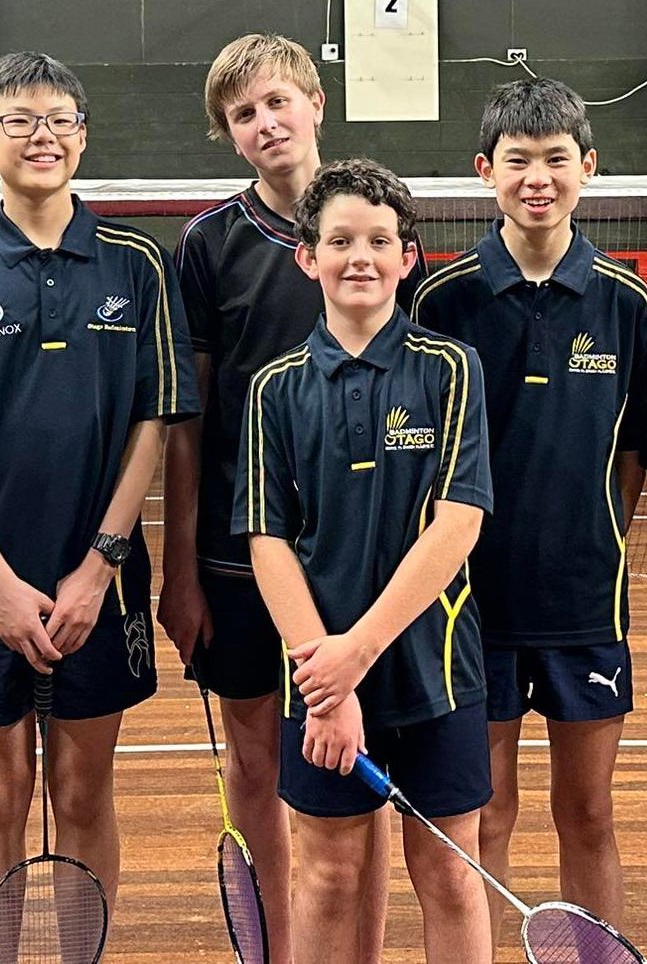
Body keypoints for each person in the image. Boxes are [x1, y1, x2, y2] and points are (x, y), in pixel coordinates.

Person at [0, 51, 198, 961]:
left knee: (83, 793)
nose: (45, 136)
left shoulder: (138, 265)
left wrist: (99, 564)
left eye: (62, 119)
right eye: (21, 120)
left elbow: (156, 418)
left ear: (83, 134)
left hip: (99, 585)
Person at [163, 35, 427, 958]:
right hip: (244, 558)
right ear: (230, 137)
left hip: (363, 559)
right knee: (257, 759)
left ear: (316, 102)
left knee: (361, 766)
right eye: (244, 115)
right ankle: (279, 942)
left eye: (278, 102)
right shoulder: (208, 245)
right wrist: (181, 569)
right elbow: (189, 418)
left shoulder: (382, 219)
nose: (266, 123)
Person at [410, 76, 647, 942]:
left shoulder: (625, 304)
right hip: (472, 607)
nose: (538, 177)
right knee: (489, 811)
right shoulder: (442, 302)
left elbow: (635, 454)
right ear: (486, 170)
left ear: (588, 166)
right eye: (518, 160)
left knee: (588, 813)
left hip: (586, 604)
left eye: (557, 159)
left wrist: (593, 532)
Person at [238, 158, 494, 964]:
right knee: (328, 878)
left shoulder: (451, 369)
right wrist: (327, 679)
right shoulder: (274, 389)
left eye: (380, 240)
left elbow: (457, 525)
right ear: (306, 256)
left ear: (408, 256)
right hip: (315, 676)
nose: (361, 257)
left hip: (436, 668)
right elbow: (267, 539)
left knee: (451, 878)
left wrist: (356, 656)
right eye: (340, 239)